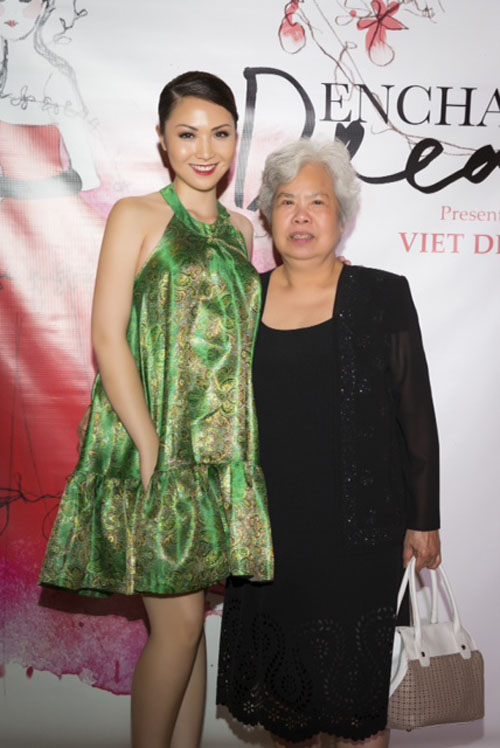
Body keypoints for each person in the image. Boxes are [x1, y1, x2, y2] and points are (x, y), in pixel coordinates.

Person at [40, 70, 274, 748]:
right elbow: (107, 335)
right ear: (162, 141)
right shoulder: (136, 215)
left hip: (215, 457)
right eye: (188, 134)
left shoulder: (239, 230)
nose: (206, 150)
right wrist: (148, 443)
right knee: (178, 627)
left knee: (190, 629)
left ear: (236, 140)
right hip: (151, 446)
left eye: (220, 134)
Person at [217, 138, 441, 747]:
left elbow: (416, 413)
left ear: (342, 217)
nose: (301, 215)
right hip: (269, 538)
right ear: (269, 217)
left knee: (359, 711)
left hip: (361, 536)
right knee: (286, 711)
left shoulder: (382, 294)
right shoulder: (244, 299)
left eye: (317, 202)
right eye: (286, 201)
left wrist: (424, 519)